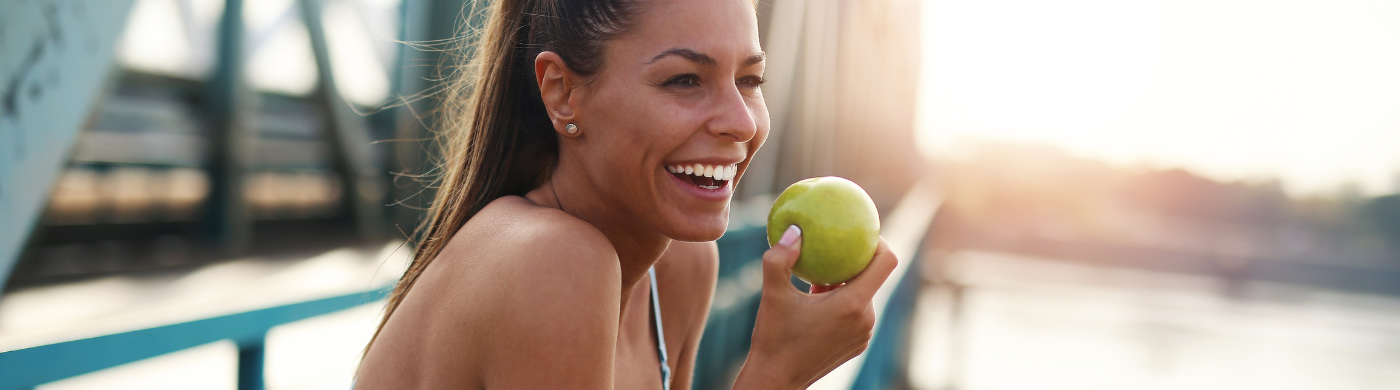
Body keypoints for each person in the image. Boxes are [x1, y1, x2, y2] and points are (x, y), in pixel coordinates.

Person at [353, 0, 899, 388]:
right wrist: (780, 372)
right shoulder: (552, 264)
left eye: (750, 81)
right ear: (563, 94)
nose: (740, 122)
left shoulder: (680, 267)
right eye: (684, 79)